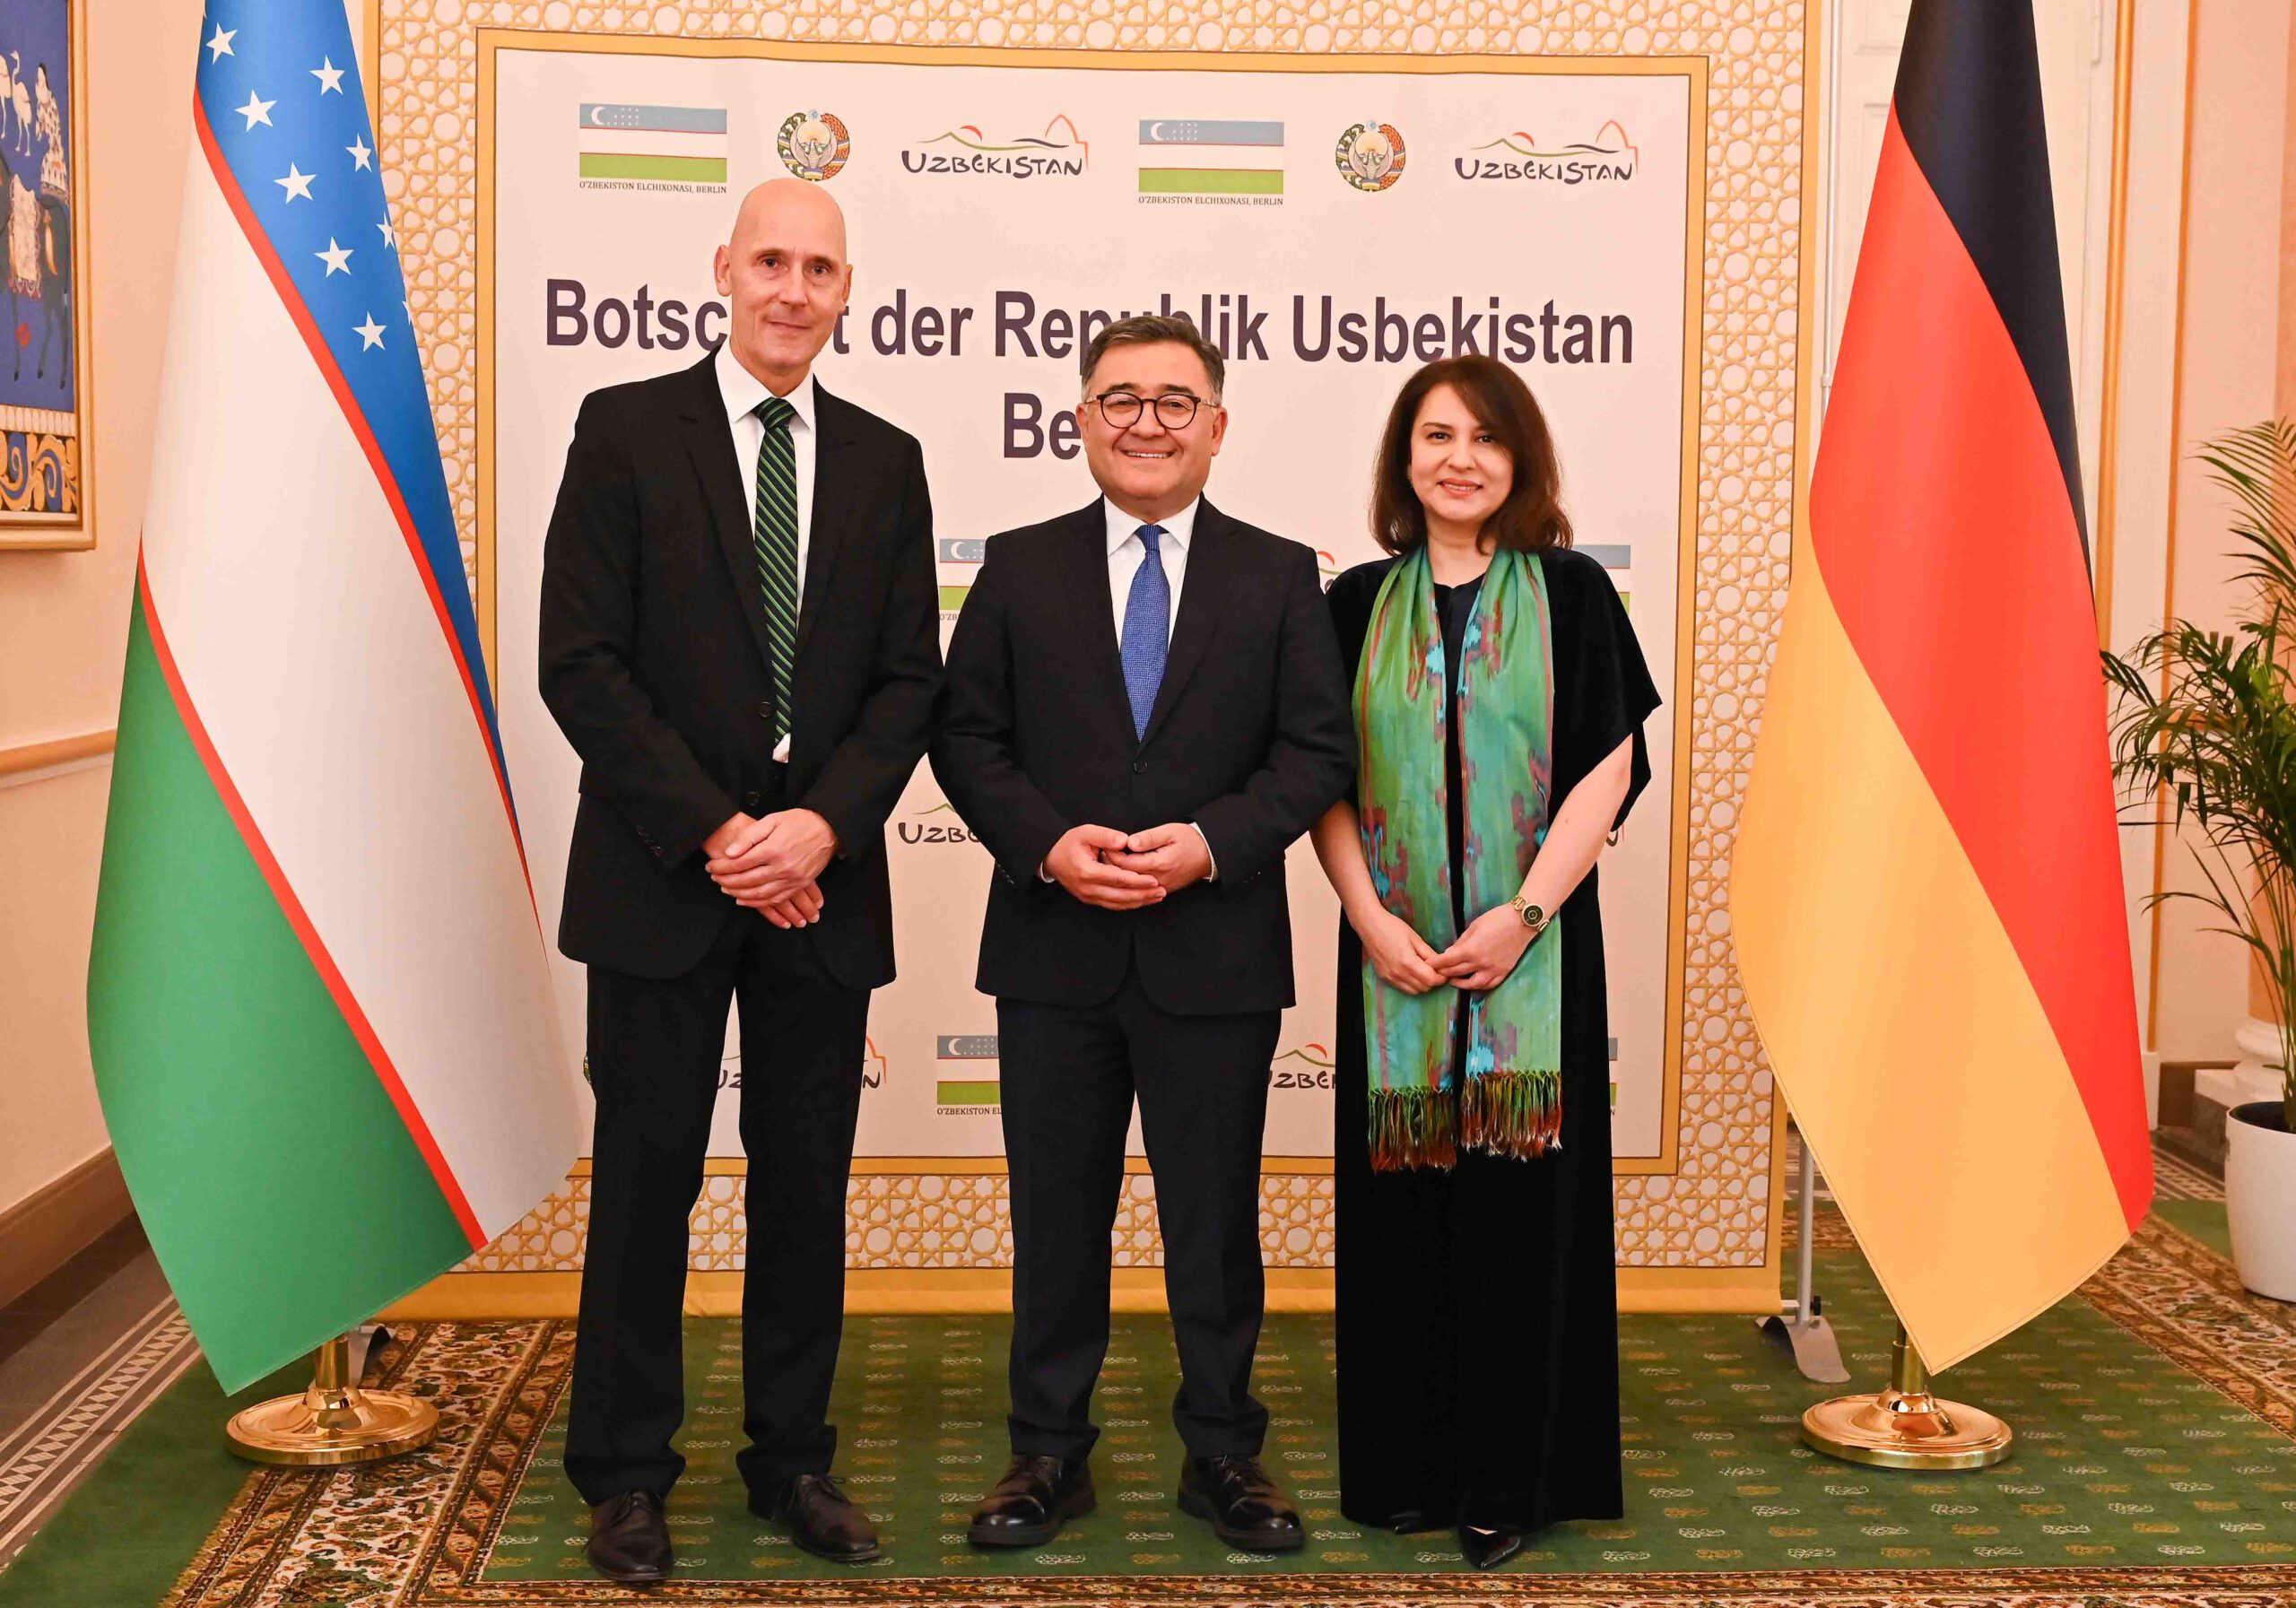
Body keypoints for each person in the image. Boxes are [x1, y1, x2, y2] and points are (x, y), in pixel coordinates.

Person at [537, 178, 940, 1583]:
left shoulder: (887, 460)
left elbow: (909, 682)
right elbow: (581, 662)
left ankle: (793, 1458)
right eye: (770, 259)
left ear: (848, 291)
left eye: (818, 267)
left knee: (805, 1185)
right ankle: (625, 1472)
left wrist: (818, 827)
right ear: (722, 268)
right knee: (647, 1180)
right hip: (661, 876)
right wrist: (722, 833)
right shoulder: (624, 428)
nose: (791, 288)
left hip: (822, 887)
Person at [932, 314, 1353, 1553]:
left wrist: (1211, 842)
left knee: (1213, 1224)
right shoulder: (1018, 566)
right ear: (1081, 420)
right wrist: (1047, 844)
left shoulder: (1280, 574)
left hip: (1214, 952)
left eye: (1175, 401)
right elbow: (966, 737)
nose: (1147, 423)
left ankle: (1223, 1452)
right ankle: (1045, 1453)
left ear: (1216, 427)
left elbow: (1315, 751)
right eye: (1121, 398)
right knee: (1055, 1218)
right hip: (1052, 950)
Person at [1311, 354, 1657, 1570]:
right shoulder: (1354, 604)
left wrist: (1523, 913)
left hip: (1534, 961)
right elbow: (1323, 781)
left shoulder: (1572, 592)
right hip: (1393, 963)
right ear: (1403, 458)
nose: (1461, 458)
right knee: (1406, 1215)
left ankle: (1513, 1478)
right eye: (1437, 435)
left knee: (1519, 1219)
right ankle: (1409, 1469)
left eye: (1486, 437)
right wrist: (1370, 920)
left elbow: (1608, 764)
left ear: (1523, 459)